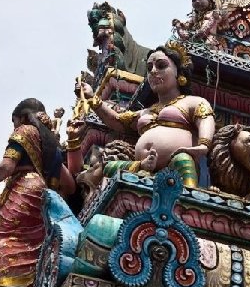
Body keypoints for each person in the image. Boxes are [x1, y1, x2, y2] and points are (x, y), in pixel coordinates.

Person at [0, 98, 76, 287]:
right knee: (29, 245)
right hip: (40, 194)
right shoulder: (51, 145)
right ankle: (28, 285)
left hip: (22, 187)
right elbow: (70, 187)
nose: (14, 126)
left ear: (23, 117)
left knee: (7, 241)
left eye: (14, 121)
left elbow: (7, 166)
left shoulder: (25, 130)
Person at [81, 41, 214, 189]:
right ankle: (142, 168)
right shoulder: (145, 112)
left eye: (161, 65)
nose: (153, 71)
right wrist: (92, 99)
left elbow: (205, 119)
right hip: (143, 168)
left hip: (178, 165)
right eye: (149, 68)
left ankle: (190, 200)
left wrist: (203, 145)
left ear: (179, 73)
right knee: (108, 167)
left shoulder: (191, 102)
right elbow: (115, 120)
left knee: (183, 159)